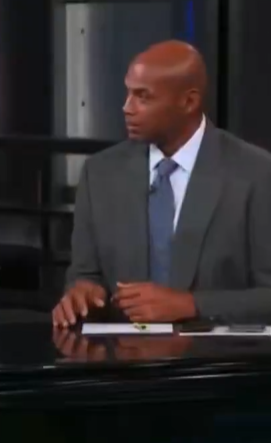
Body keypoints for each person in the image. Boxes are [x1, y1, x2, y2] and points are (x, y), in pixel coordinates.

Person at [52, 40, 271, 327]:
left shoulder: (256, 173)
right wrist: (84, 294)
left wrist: (191, 305)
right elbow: (85, 275)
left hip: (214, 352)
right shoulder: (100, 173)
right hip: (123, 352)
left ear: (189, 102)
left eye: (143, 97)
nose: (127, 108)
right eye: (128, 93)